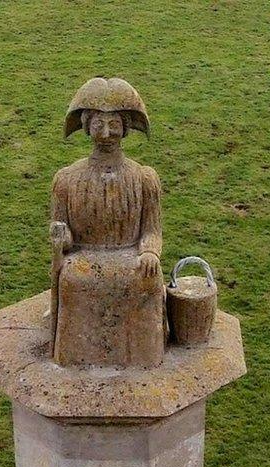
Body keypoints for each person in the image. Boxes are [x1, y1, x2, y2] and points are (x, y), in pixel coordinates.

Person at [49, 78, 165, 369]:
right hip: (85, 258)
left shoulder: (143, 179)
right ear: (87, 126)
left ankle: (143, 358)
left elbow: (152, 230)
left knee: (146, 278)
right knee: (74, 279)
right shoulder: (66, 180)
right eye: (98, 124)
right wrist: (60, 237)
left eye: (113, 124)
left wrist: (150, 251)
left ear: (125, 128)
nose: (106, 133)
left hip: (130, 258)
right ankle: (76, 359)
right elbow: (62, 234)